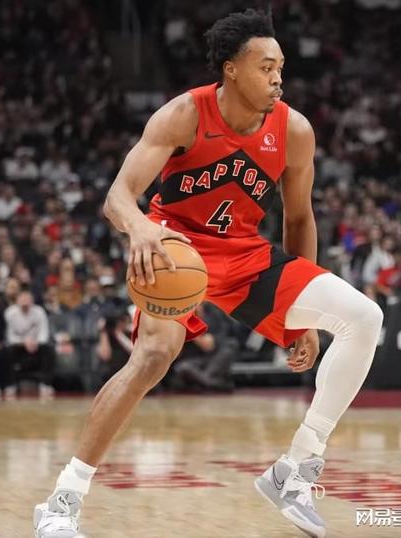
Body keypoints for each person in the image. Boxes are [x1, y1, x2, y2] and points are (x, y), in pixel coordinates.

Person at [33, 9, 383, 538]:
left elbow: (298, 219)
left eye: (280, 67)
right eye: (265, 67)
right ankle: (62, 502)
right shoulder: (184, 114)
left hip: (244, 254)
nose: (278, 78)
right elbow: (117, 197)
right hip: (175, 248)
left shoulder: (294, 130)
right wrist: (140, 228)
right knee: (153, 357)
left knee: (364, 317)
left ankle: (297, 467)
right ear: (230, 70)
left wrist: (304, 321)